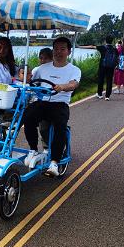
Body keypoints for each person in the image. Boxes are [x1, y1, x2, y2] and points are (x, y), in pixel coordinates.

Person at [23, 37, 81, 176]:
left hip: (60, 103)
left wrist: (63, 87)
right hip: (42, 102)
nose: (58, 52)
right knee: (27, 116)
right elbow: (29, 80)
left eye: (62, 49)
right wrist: (23, 75)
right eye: (56, 49)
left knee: (60, 126)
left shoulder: (74, 70)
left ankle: (54, 162)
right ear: (53, 50)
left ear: (69, 51)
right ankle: (32, 149)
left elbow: (73, 84)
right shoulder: (42, 68)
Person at [31, 48, 53, 151]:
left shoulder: (55, 70)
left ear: (51, 59)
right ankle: (33, 149)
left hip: (51, 101)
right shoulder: (37, 70)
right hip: (38, 101)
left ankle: (47, 147)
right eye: (41, 58)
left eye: (46, 59)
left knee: (44, 127)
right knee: (27, 121)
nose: (43, 61)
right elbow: (30, 83)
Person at [83, 36, 118, 100]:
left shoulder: (102, 47)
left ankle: (100, 94)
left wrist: (79, 47)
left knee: (101, 79)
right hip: (111, 67)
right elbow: (117, 58)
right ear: (112, 41)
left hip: (102, 66)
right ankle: (107, 96)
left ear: (105, 40)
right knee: (109, 80)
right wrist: (115, 65)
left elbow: (92, 46)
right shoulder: (114, 49)